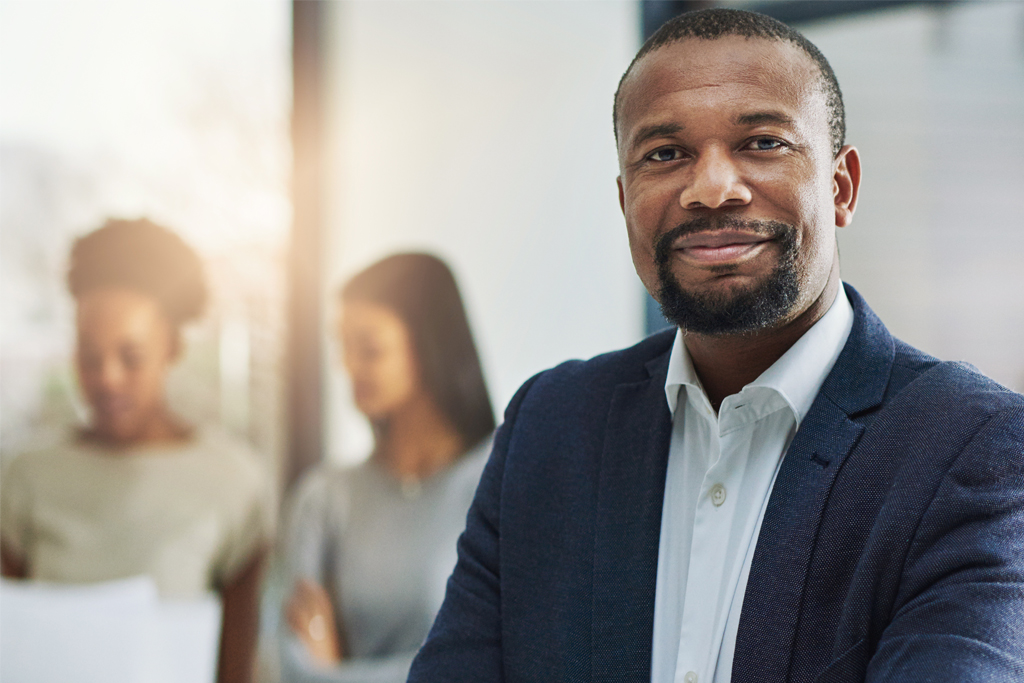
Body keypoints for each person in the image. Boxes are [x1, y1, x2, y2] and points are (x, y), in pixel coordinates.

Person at [408, 8, 1024, 683]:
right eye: (665, 154)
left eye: (762, 142)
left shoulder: (975, 447)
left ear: (841, 187)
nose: (710, 189)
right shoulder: (550, 427)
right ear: (625, 201)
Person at [0, 218, 273, 683]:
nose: (106, 377)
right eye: (89, 356)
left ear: (173, 347)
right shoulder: (24, 476)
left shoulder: (234, 483)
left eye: (131, 356)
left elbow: (238, 667)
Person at [279, 253, 495, 683]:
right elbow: (289, 664)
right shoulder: (323, 498)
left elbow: (492, 665)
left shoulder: (502, 483)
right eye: (342, 346)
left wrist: (335, 675)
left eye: (369, 348)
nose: (349, 366)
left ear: (430, 343)